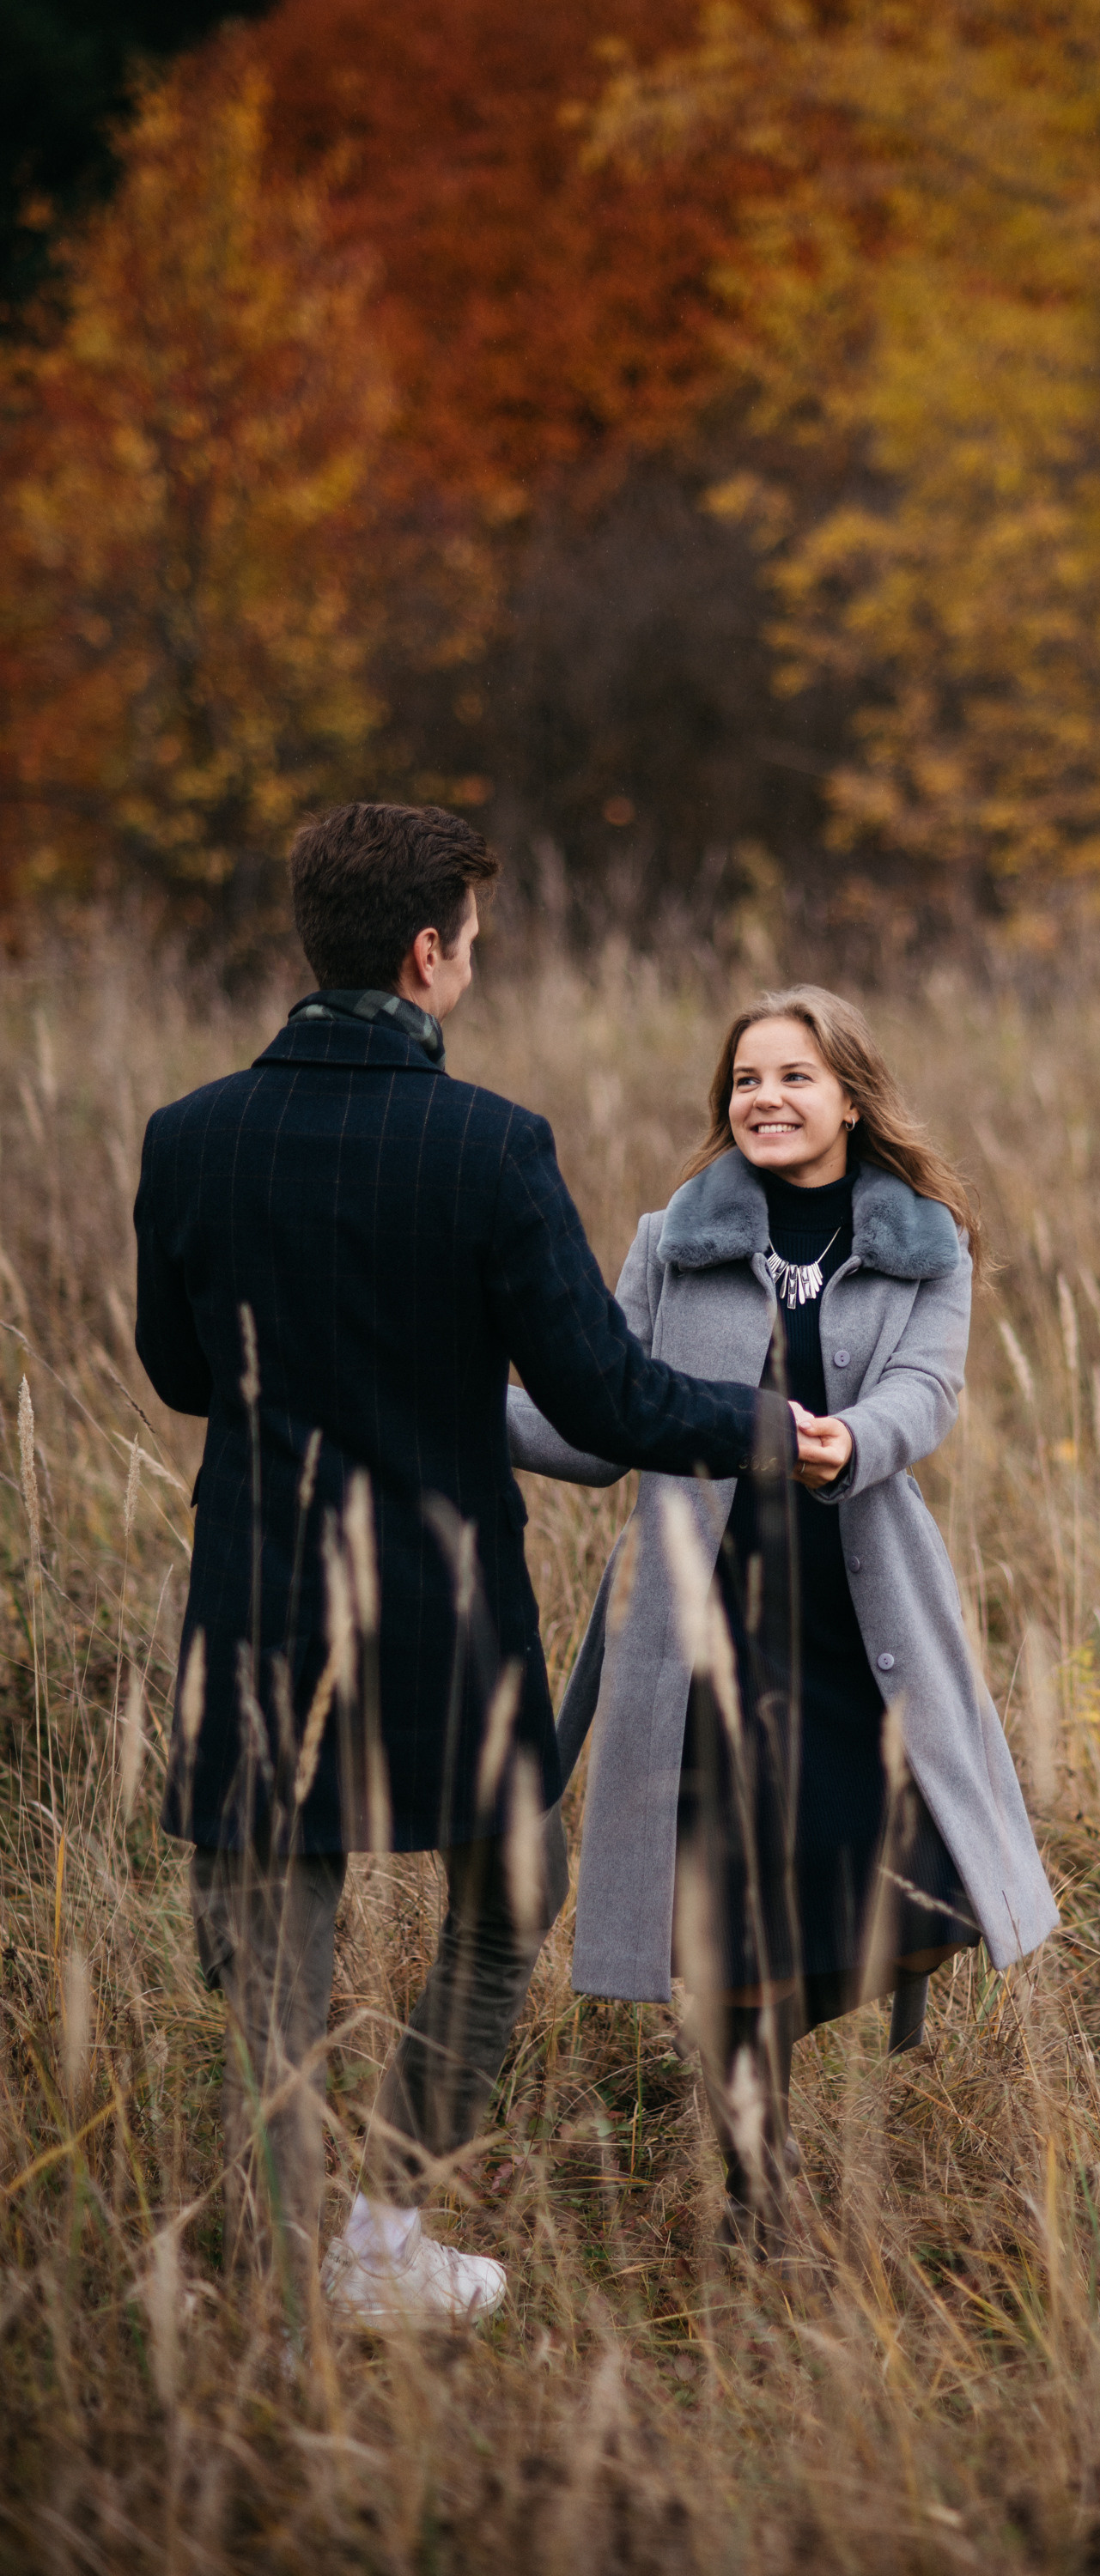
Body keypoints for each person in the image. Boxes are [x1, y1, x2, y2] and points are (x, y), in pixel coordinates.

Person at [133, 803, 811, 2324]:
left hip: (253, 1604)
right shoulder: (491, 1145)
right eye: (474, 944)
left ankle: (296, 2265)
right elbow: (602, 1399)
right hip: (446, 1610)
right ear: (427, 954)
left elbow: (181, 1373)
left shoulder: (189, 1137)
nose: (474, 968)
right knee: (509, 1898)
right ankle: (374, 2239)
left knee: (272, 1944)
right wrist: (775, 1430)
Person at [509, 985, 1059, 2246]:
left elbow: (926, 1395)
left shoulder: (927, 1245)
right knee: (730, 1909)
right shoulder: (671, 1241)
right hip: (702, 1634)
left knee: (908, 1891)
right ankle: (759, 2183)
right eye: (745, 1079)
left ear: (850, 1099)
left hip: (855, 1629)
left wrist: (848, 1439)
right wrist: (441, 1407)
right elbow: (599, 1420)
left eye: (794, 1077)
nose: (764, 1097)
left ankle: (760, 2053)